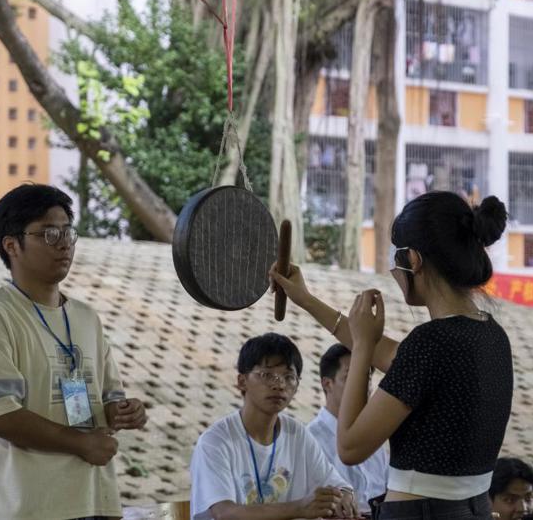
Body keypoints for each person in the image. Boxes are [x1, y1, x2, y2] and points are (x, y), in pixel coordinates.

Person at [271, 191, 514, 520]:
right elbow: (388, 354)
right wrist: (306, 299)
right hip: (473, 509)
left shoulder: (430, 342)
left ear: (413, 259)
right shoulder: (490, 335)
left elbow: (350, 446)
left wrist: (360, 348)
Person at [0, 184, 147, 520]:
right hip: (20, 508)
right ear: (12, 245)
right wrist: (81, 443)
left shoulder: (87, 317)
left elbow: (107, 401)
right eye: (47, 233)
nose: (62, 243)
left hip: (91, 501)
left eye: (67, 232)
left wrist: (125, 411)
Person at [189, 333, 360, 520]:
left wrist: (344, 496)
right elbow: (225, 513)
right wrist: (300, 508)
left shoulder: (297, 434)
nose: (279, 385)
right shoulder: (215, 442)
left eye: (288, 377)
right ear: (242, 382)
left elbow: (340, 486)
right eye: (267, 375)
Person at [308, 344, 389, 513]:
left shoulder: (375, 437)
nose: (362, 386)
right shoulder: (310, 440)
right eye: (351, 378)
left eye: (367, 378)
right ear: (327, 384)